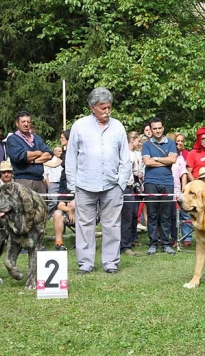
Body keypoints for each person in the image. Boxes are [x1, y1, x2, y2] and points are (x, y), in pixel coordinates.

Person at [66, 87, 131, 274]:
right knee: (84, 225)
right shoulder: (79, 126)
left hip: (112, 185)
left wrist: (121, 183)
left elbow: (125, 158)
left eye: (109, 107)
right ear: (92, 107)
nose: (107, 111)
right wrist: (73, 185)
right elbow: (70, 158)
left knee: (112, 225)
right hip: (84, 184)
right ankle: (85, 264)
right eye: (103, 108)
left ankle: (110, 263)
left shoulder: (118, 126)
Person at [142, 117, 178, 255]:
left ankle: (166, 243)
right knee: (152, 214)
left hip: (167, 182)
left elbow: (173, 160)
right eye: (154, 128)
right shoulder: (146, 144)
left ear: (163, 128)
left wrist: (155, 158)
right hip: (151, 181)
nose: (157, 130)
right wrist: (165, 161)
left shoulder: (171, 143)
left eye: (159, 128)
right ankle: (153, 243)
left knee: (166, 215)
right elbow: (147, 162)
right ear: (151, 130)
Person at [6, 111, 53, 194]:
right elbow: (20, 156)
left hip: (39, 180)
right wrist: (38, 153)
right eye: (23, 121)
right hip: (23, 180)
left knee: (41, 206)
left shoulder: (37, 138)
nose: (26, 124)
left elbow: (49, 154)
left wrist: (33, 161)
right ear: (17, 123)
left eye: (28, 121)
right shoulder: (13, 139)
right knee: (24, 206)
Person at [120, 131, 143, 256]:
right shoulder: (122, 153)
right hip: (119, 187)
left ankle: (125, 245)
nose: (139, 143)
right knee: (119, 218)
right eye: (138, 140)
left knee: (128, 218)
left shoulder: (134, 155)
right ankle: (120, 245)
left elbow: (134, 172)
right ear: (132, 139)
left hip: (129, 188)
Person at [44, 146, 64, 210]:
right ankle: (46, 216)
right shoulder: (50, 161)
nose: (61, 153)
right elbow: (45, 173)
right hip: (52, 183)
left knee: (61, 202)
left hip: (61, 183)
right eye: (59, 151)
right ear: (54, 152)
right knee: (53, 202)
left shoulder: (63, 160)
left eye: (61, 151)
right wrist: (48, 184)